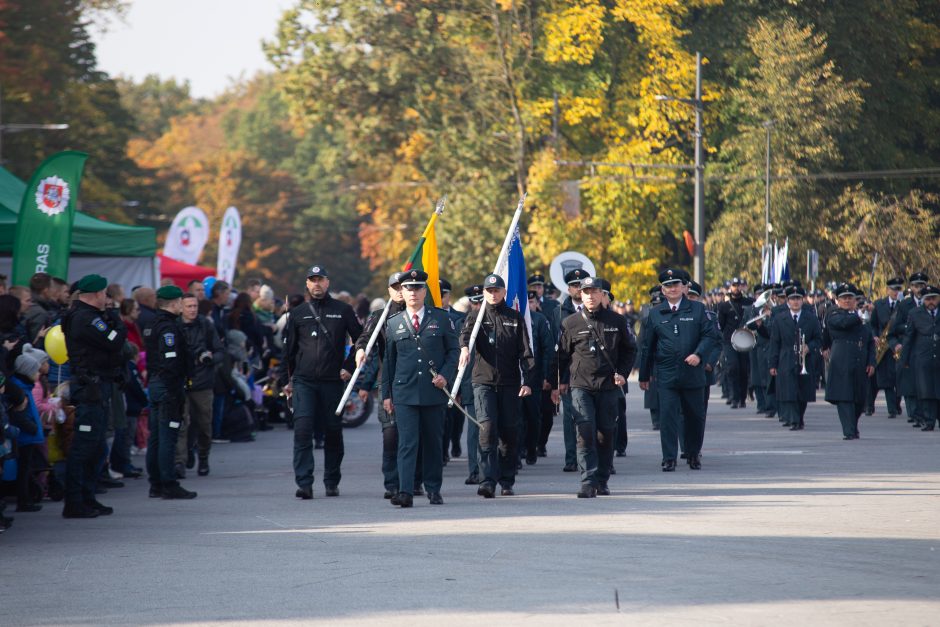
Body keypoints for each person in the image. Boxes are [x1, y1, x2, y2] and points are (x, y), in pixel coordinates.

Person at [382, 269, 459, 507]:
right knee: (407, 442)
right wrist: (386, 394)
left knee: (433, 442)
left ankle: (433, 488)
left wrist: (445, 376)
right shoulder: (394, 323)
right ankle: (405, 490)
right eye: (408, 288)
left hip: (432, 391)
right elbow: (389, 361)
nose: (412, 292)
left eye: (417, 288)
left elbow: (453, 352)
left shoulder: (441, 318)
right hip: (404, 391)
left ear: (425, 291)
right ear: (401, 293)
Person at [283, 265, 361, 499]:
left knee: (333, 432)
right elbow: (288, 351)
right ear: (307, 284)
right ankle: (304, 483)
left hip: (332, 382)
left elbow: (361, 342)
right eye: (312, 280)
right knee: (303, 431)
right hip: (304, 382)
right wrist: (285, 381)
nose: (317, 284)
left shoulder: (343, 310)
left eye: (321, 280)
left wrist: (349, 367)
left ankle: (331, 480)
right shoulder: (297, 313)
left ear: (328, 283)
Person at [554, 276, 636, 497]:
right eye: (586, 292)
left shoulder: (617, 321)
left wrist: (622, 373)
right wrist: (558, 384)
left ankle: (602, 479)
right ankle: (587, 481)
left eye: (594, 292)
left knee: (605, 434)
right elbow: (562, 355)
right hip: (580, 385)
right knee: (585, 429)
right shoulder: (570, 323)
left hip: (608, 385)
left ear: (603, 295)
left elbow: (630, 349)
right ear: (580, 294)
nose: (590, 296)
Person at [459, 273, 534, 498]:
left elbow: (526, 353)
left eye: (497, 290)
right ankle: (487, 480)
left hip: (510, 383)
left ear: (503, 292)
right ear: (484, 293)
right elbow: (464, 337)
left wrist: (528, 381)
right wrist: (464, 348)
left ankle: (507, 479)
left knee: (509, 433)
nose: (493, 294)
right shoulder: (475, 316)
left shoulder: (515, 317)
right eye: (489, 291)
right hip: (483, 382)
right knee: (487, 429)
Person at [638, 269, 720, 471]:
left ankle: (693, 454)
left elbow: (710, 336)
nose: (672, 288)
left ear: (684, 287)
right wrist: (644, 374)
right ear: (663, 290)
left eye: (675, 284)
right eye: (667, 285)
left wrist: (699, 354)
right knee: (667, 417)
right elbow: (647, 346)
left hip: (692, 373)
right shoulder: (655, 313)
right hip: (666, 374)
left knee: (695, 416)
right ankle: (669, 458)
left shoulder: (698, 309)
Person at [61, 274, 127, 518]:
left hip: (97, 386)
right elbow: (115, 342)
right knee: (84, 447)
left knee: (96, 447)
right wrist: (117, 322)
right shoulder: (86, 318)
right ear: (97, 294)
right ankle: (75, 502)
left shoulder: (90, 316)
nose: (107, 299)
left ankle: (88, 497)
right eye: (104, 294)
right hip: (90, 388)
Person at [355, 272, 408, 499]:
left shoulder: (419, 315)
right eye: (394, 287)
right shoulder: (379, 316)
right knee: (390, 435)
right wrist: (360, 349)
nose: (399, 291)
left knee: (415, 435)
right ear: (388, 290)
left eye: (402, 287)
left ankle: (413, 481)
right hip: (388, 381)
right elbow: (365, 339)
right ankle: (392, 483)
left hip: (416, 382)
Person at [145, 285, 197, 499]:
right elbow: (170, 361)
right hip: (168, 386)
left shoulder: (153, 323)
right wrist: (175, 389)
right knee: (167, 436)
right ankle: (168, 483)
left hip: (156, 384)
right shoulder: (168, 328)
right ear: (175, 303)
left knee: (156, 437)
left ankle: (156, 483)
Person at [180, 293, 224, 477]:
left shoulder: (206, 325)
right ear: (180, 307)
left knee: (204, 424)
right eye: (188, 306)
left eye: (194, 306)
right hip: (181, 382)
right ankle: (180, 461)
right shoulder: (174, 326)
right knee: (182, 424)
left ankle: (203, 457)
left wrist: (210, 358)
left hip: (203, 382)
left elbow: (221, 351)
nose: (192, 309)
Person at [823, 283, 876, 440]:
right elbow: (844, 323)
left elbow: (870, 341)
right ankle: (849, 430)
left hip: (860, 361)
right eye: (843, 298)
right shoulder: (833, 315)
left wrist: (871, 362)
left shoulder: (862, 318)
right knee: (844, 397)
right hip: (842, 361)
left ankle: (853, 425)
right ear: (838, 300)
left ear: (855, 299)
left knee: (859, 399)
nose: (847, 301)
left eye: (850, 298)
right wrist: (859, 315)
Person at [768, 287, 822, 430]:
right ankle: (794, 420)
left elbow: (819, 338)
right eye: (792, 299)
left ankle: (799, 417)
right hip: (786, 357)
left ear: (803, 300)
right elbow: (775, 343)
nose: (796, 302)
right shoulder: (780, 319)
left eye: (798, 299)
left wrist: (809, 347)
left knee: (803, 392)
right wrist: (773, 364)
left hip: (805, 358)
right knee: (789, 390)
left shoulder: (811, 318)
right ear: (788, 300)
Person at [553, 268, 590, 472]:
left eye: (581, 285)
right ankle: (571, 458)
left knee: (590, 417)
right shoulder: (558, 312)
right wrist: (556, 378)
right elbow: (555, 347)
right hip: (568, 372)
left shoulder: (595, 307)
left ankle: (591, 457)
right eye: (574, 285)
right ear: (568, 288)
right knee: (570, 417)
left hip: (591, 371)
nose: (578, 288)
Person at [899, 285, 940, 430]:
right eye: (927, 299)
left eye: (933, 298)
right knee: (926, 391)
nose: (930, 302)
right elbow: (908, 337)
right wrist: (904, 360)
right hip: (923, 358)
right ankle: (929, 421)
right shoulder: (914, 313)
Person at [891, 272, 929, 427]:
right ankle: (916, 414)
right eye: (916, 286)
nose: (919, 289)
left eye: (922, 285)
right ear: (911, 288)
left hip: (926, 348)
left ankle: (926, 415)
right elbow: (895, 327)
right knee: (910, 383)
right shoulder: (904, 305)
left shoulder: (932, 302)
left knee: (925, 383)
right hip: (909, 347)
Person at [523, 290, 555, 465]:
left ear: (537, 304)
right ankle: (517, 451)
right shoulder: (515, 318)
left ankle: (532, 447)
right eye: (525, 301)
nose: (529, 305)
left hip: (535, 378)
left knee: (534, 416)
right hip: (516, 377)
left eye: (532, 302)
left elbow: (548, 351)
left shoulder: (540, 320)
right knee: (516, 418)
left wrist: (545, 376)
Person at [869, 276, 904, 418]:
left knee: (899, 377)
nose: (896, 292)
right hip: (883, 347)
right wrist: (874, 336)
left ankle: (896, 404)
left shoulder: (903, 305)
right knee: (887, 380)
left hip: (898, 345)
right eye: (893, 289)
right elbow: (873, 324)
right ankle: (892, 410)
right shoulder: (879, 304)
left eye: (898, 289)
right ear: (887, 289)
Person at [717, 277, 754, 408]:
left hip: (745, 340)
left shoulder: (749, 302)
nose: (737, 288)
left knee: (744, 370)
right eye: (734, 285)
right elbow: (720, 325)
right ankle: (734, 397)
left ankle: (742, 398)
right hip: (729, 341)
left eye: (739, 285)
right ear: (730, 287)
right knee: (732, 368)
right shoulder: (724, 306)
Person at [460, 285, 483, 484]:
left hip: (493, 383)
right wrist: (456, 387)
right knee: (474, 430)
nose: (478, 305)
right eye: (474, 302)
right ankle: (474, 470)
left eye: (481, 301)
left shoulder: (494, 322)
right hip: (469, 384)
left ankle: (491, 468)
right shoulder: (462, 323)